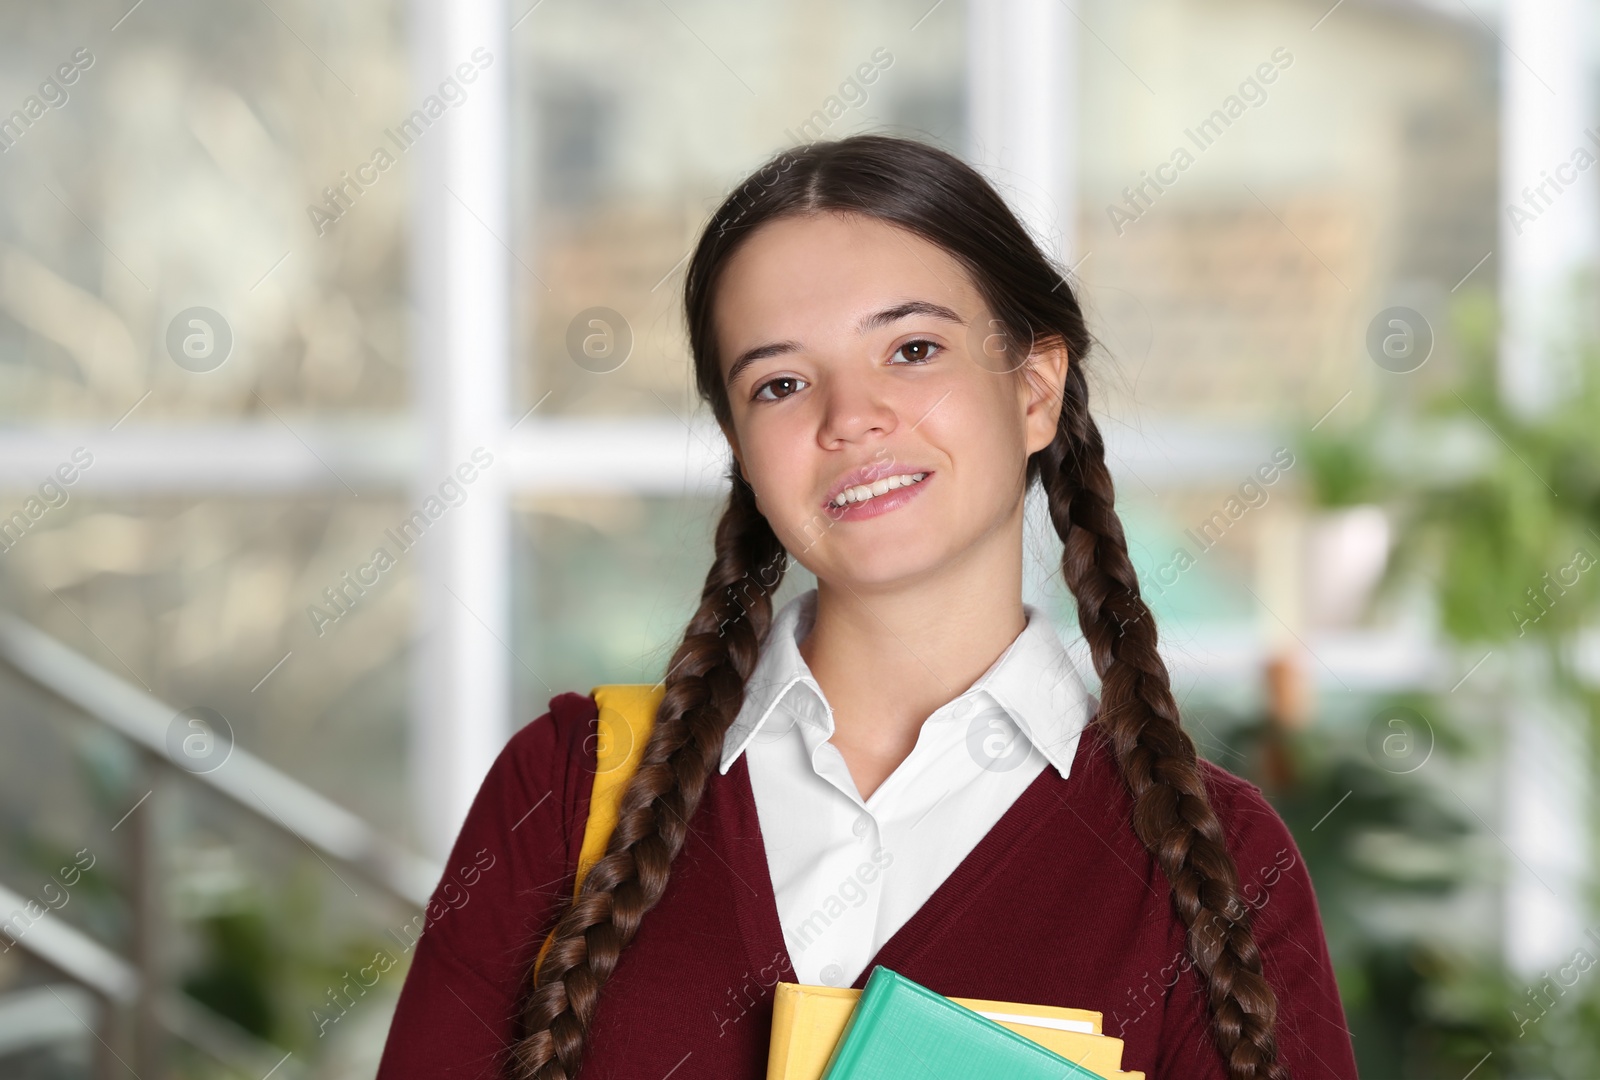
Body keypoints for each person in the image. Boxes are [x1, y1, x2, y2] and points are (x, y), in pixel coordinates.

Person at [375, 134, 1358, 1080]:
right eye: (781, 383)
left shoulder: (1214, 860)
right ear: (742, 452)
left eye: (913, 348)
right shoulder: (564, 790)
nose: (849, 418)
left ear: (1033, 388)